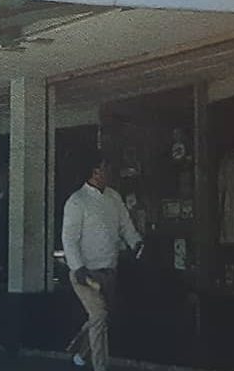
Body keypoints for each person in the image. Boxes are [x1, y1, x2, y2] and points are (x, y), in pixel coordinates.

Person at [62, 155, 142, 370]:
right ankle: (100, 367)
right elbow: (69, 239)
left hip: (109, 271)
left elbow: (125, 225)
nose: (110, 172)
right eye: (107, 168)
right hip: (85, 273)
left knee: (100, 318)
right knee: (99, 315)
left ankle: (78, 351)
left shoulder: (114, 197)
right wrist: (77, 267)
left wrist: (136, 243)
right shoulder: (77, 201)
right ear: (96, 171)